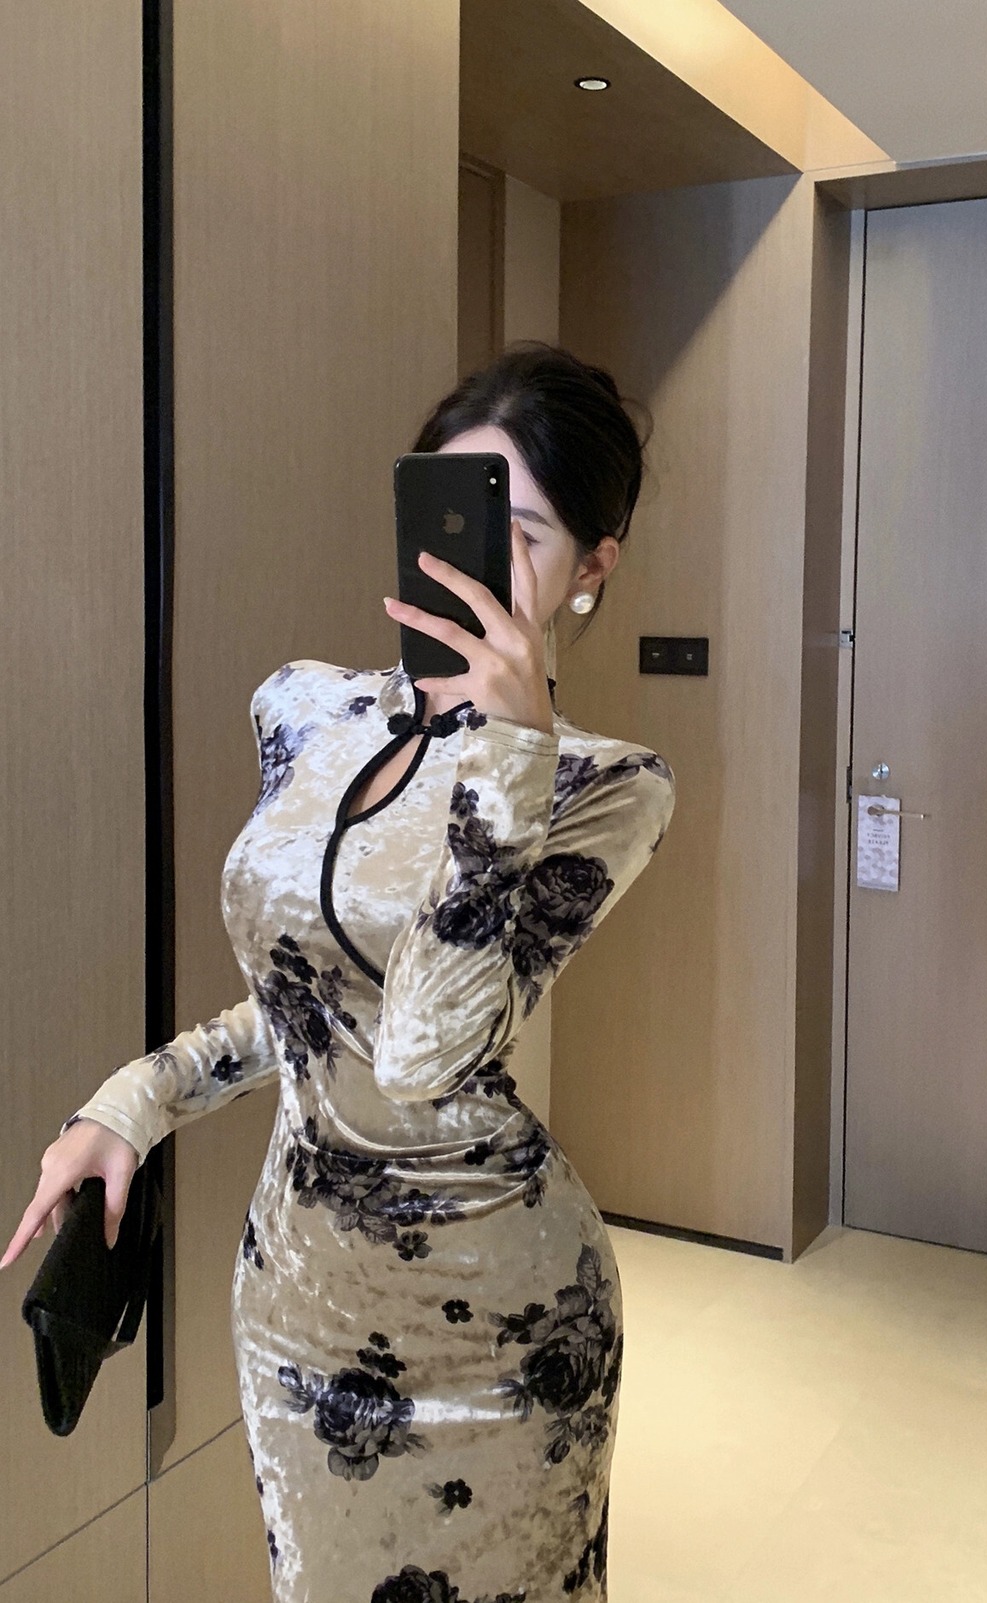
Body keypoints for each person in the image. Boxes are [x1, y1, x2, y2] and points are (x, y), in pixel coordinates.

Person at [1, 342, 676, 1603]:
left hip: (505, 1321)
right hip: (297, 1302)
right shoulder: (303, 711)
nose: (478, 567)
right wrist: (134, 1101)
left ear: (592, 568)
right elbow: (308, 1003)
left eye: (523, 535)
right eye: (458, 517)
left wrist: (509, 758)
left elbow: (419, 1051)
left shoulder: (605, 788)